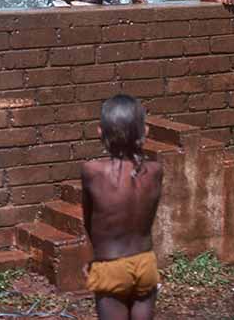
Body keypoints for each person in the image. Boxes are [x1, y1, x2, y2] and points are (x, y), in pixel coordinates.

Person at [82, 94, 163, 320]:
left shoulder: (92, 171)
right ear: (144, 132)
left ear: (100, 132)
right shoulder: (156, 172)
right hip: (146, 263)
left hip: (110, 264)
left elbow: (89, 220)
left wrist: (95, 257)